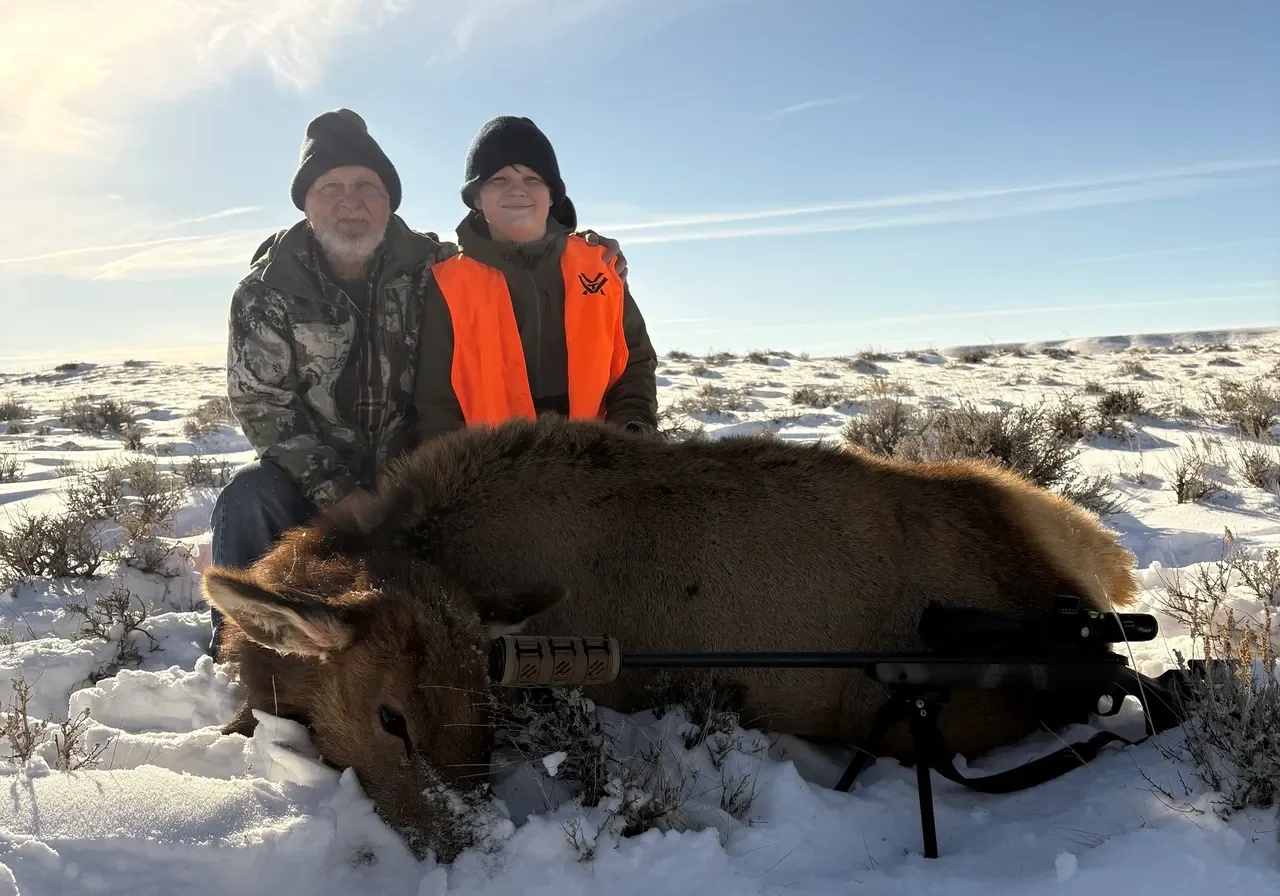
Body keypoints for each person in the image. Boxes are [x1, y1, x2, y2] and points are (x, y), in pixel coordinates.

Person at [207, 109, 626, 659]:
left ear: (390, 201)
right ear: (306, 203)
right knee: (248, 498)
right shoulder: (265, 290)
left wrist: (580, 246)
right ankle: (240, 646)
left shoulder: (434, 265)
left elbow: (509, 249)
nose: (350, 201)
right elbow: (262, 404)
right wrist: (338, 494)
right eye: (330, 187)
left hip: (415, 465)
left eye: (367, 186)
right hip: (310, 477)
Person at [413, 116, 658, 444]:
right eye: (498, 179)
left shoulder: (601, 265)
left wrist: (631, 428)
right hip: (492, 476)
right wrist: (457, 480)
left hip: (598, 466)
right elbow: (435, 402)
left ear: (552, 194)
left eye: (532, 178)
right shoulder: (447, 283)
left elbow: (635, 362)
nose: (517, 190)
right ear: (476, 197)